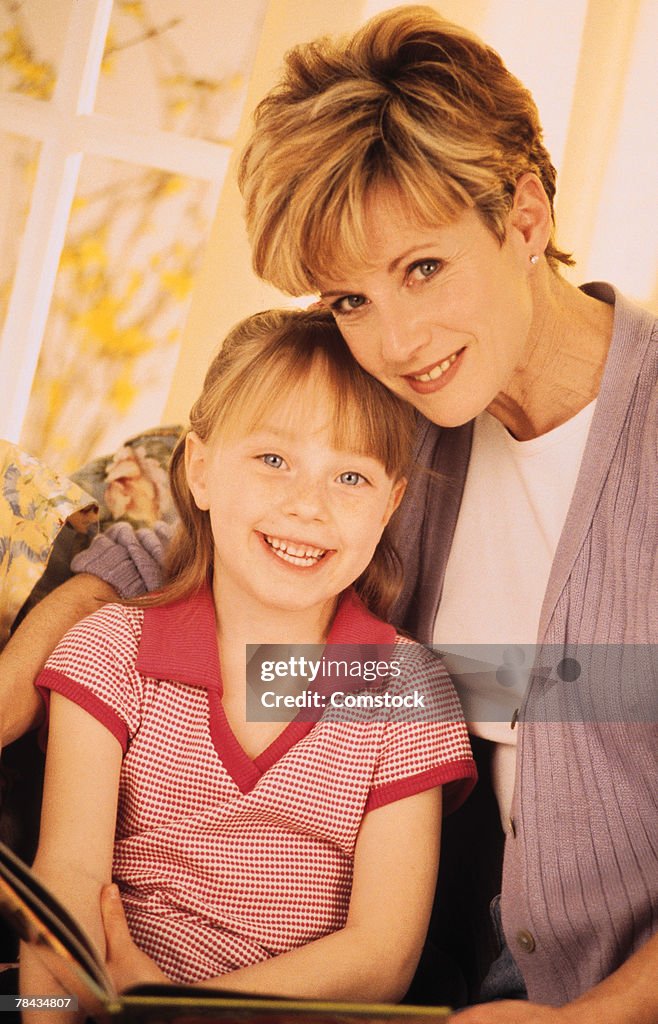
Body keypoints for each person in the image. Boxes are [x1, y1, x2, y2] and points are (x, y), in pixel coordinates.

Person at [1, 4, 656, 1020]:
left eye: (423, 268)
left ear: (525, 217)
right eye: (348, 298)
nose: (395, 339)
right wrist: (17, 675)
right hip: (441, 977)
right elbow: (166, 535)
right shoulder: (395, 421)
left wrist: (593, 1017)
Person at [19, 307, 476, 1012]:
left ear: (391, 505)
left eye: (349, 478)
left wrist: (178, 1012)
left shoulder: (404, 689)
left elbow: (382, 955)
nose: (308, 505)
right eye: (273, 460)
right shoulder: (110, 650)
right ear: (200, 472)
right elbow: (66, 883)